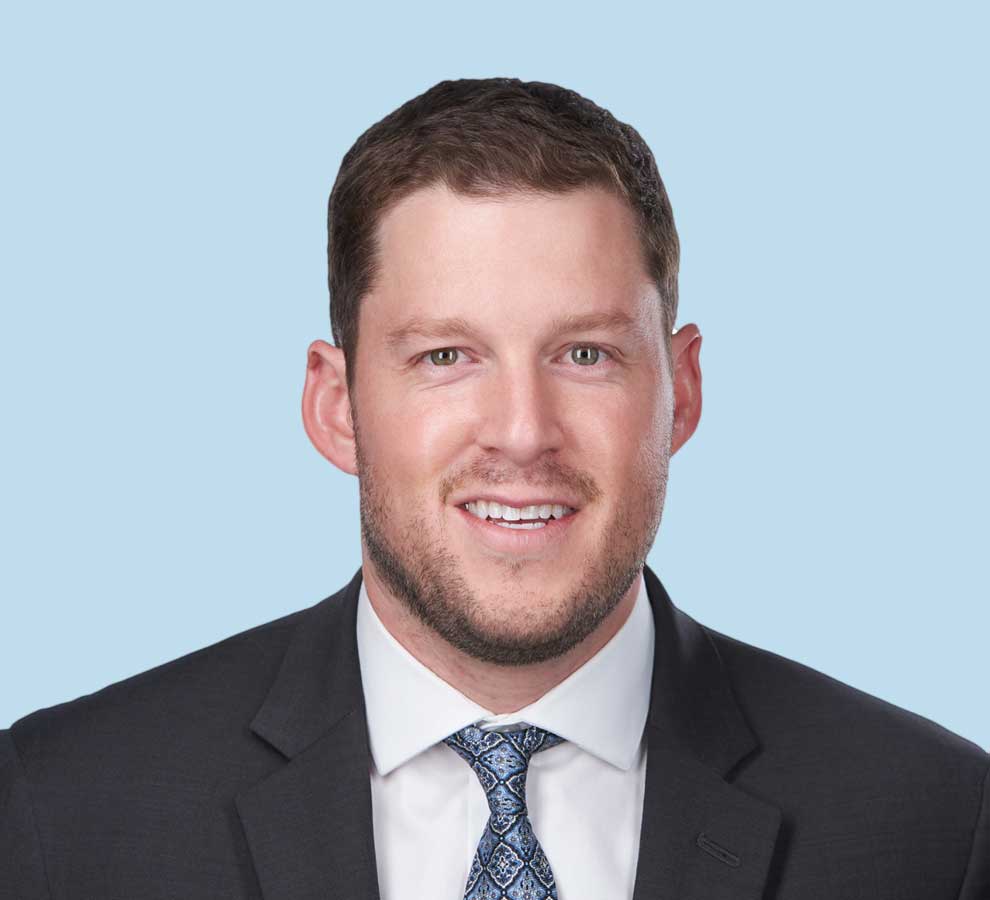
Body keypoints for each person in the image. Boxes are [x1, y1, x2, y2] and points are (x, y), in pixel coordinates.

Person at [1, 77, 986, 900]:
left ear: (681, 391)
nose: (523, 431)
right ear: (336, 405)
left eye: (587, 353)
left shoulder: (934, 826)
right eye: (445, 356)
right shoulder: (61, 813)